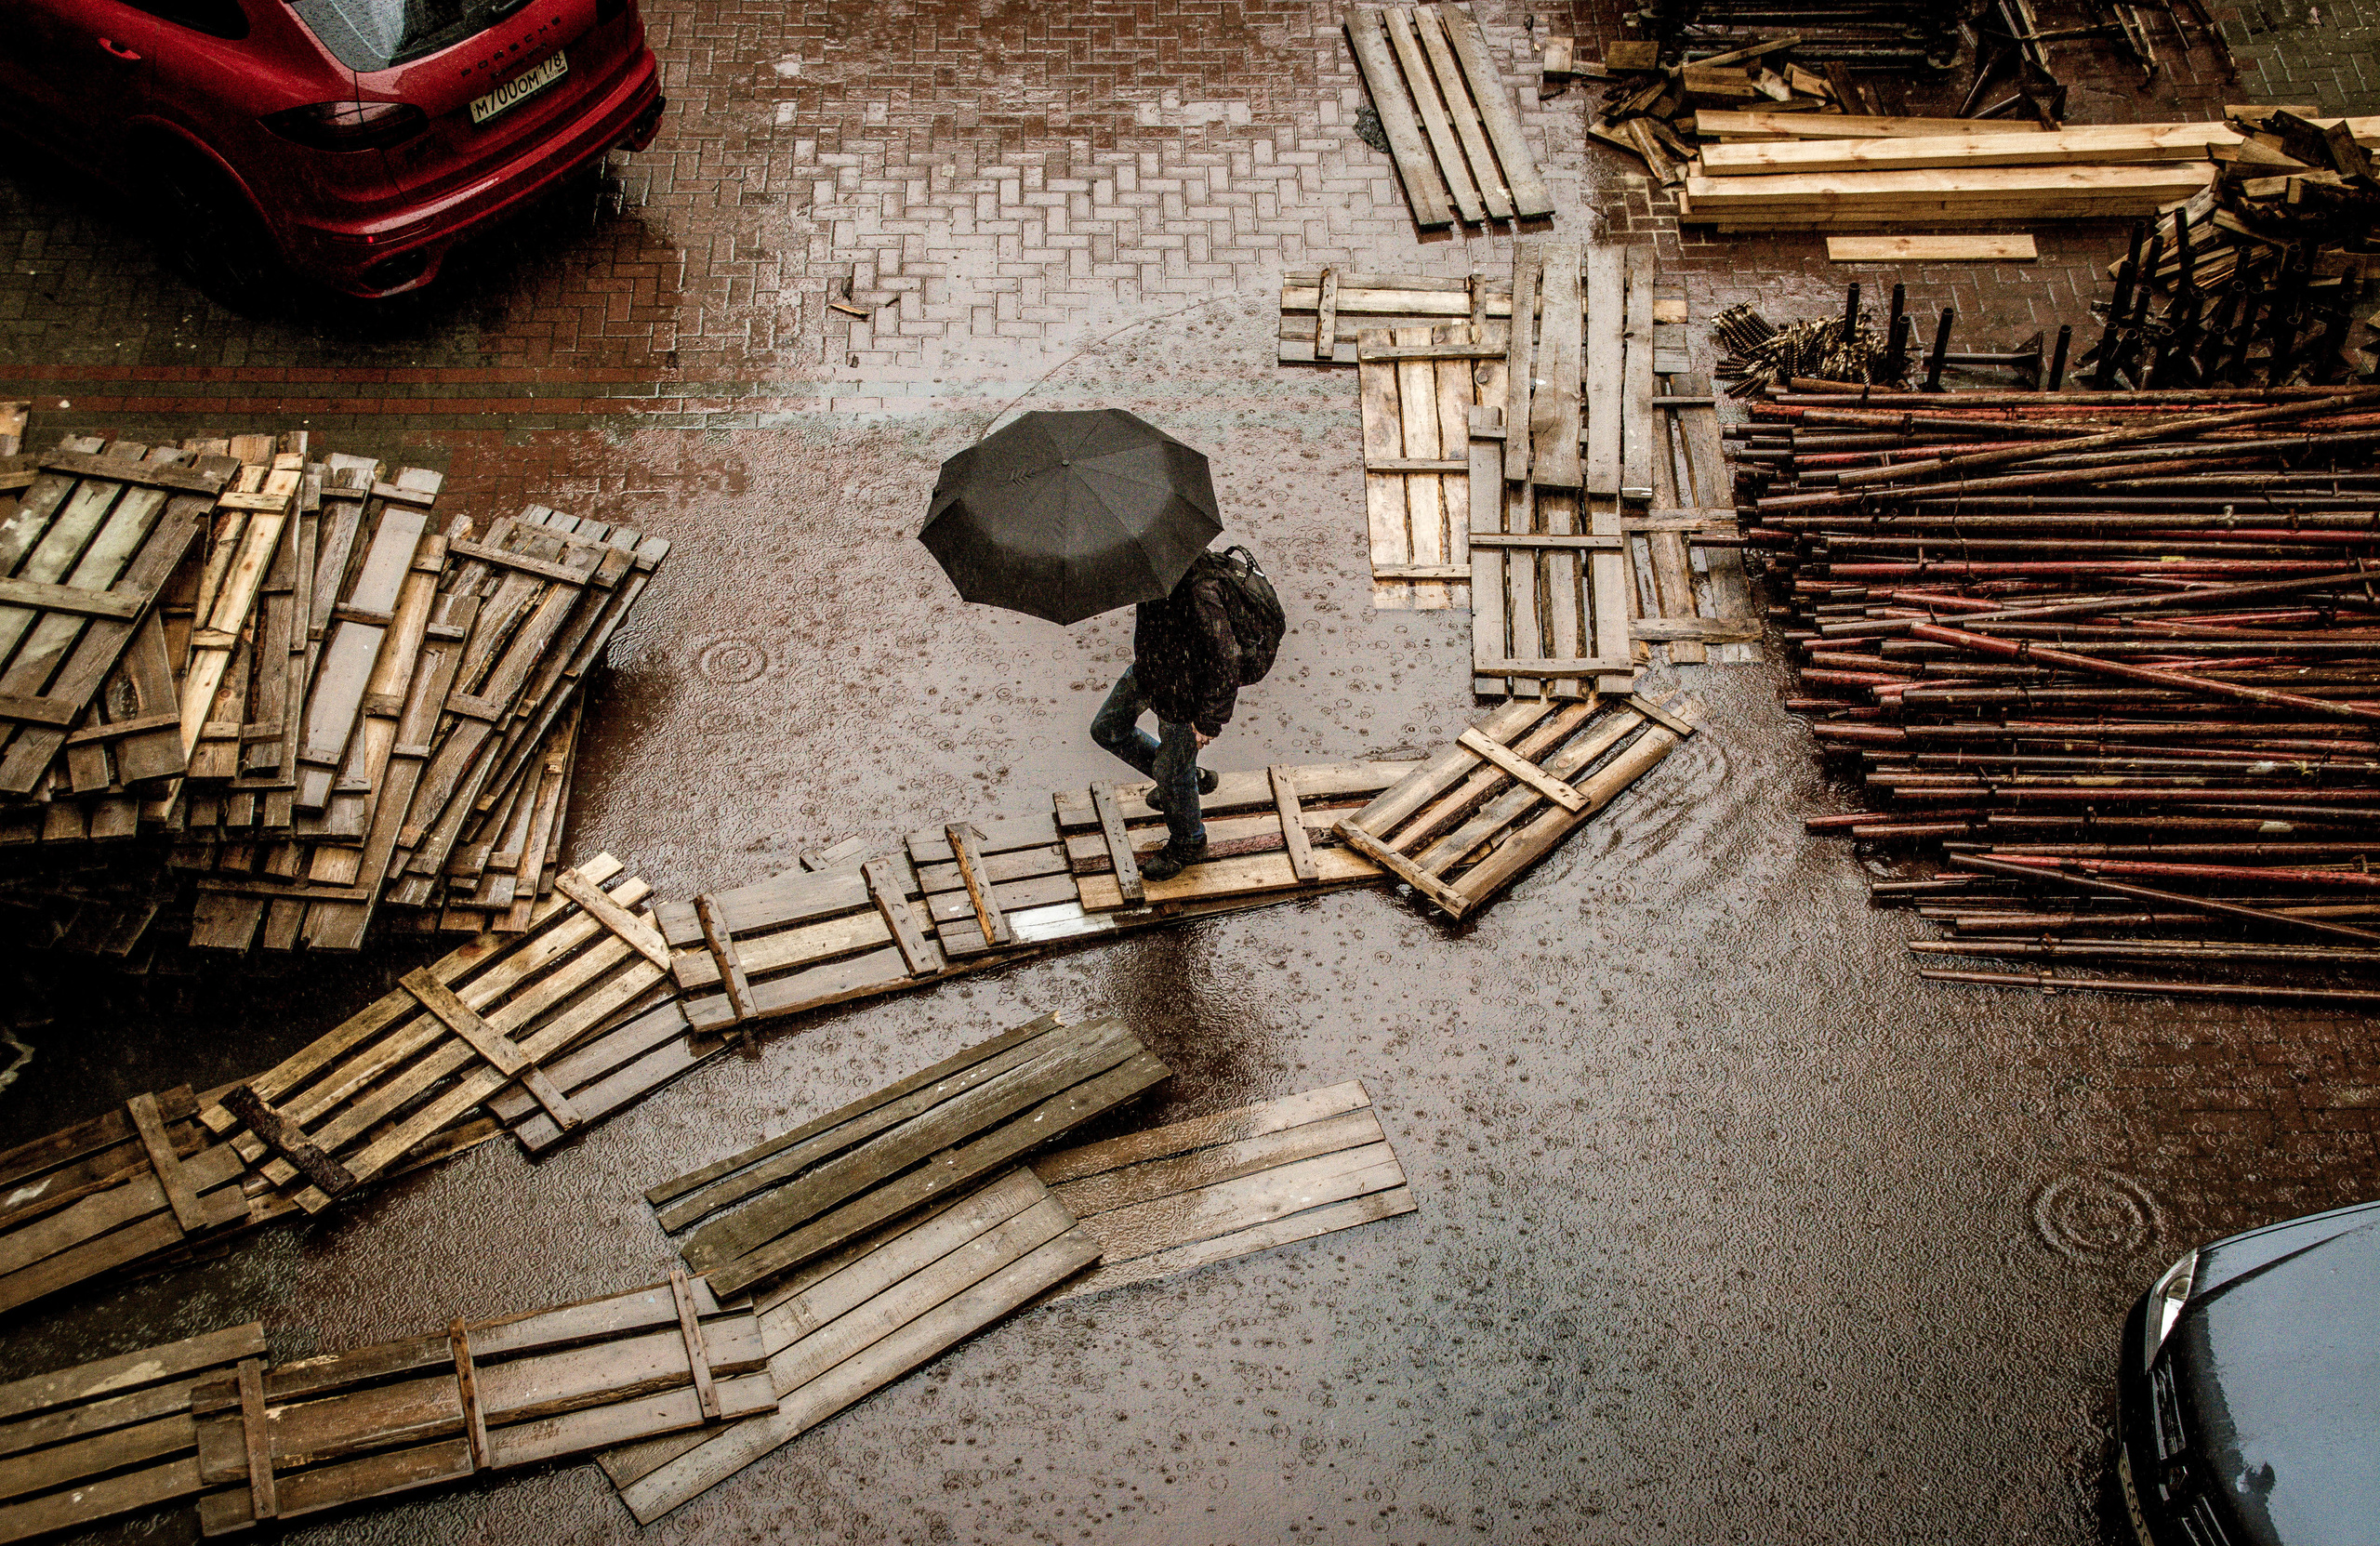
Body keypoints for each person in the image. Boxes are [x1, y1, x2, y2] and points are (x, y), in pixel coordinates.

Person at [1091, 548, 1243, 880]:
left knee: (1172, 771)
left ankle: (1190, 841)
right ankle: (1184, 780)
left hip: (1184, 701)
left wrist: (1209, 720)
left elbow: (1228, 657)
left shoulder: (1199, 589)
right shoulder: (1152, 571)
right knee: (1107, 730)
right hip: (1148, 673)